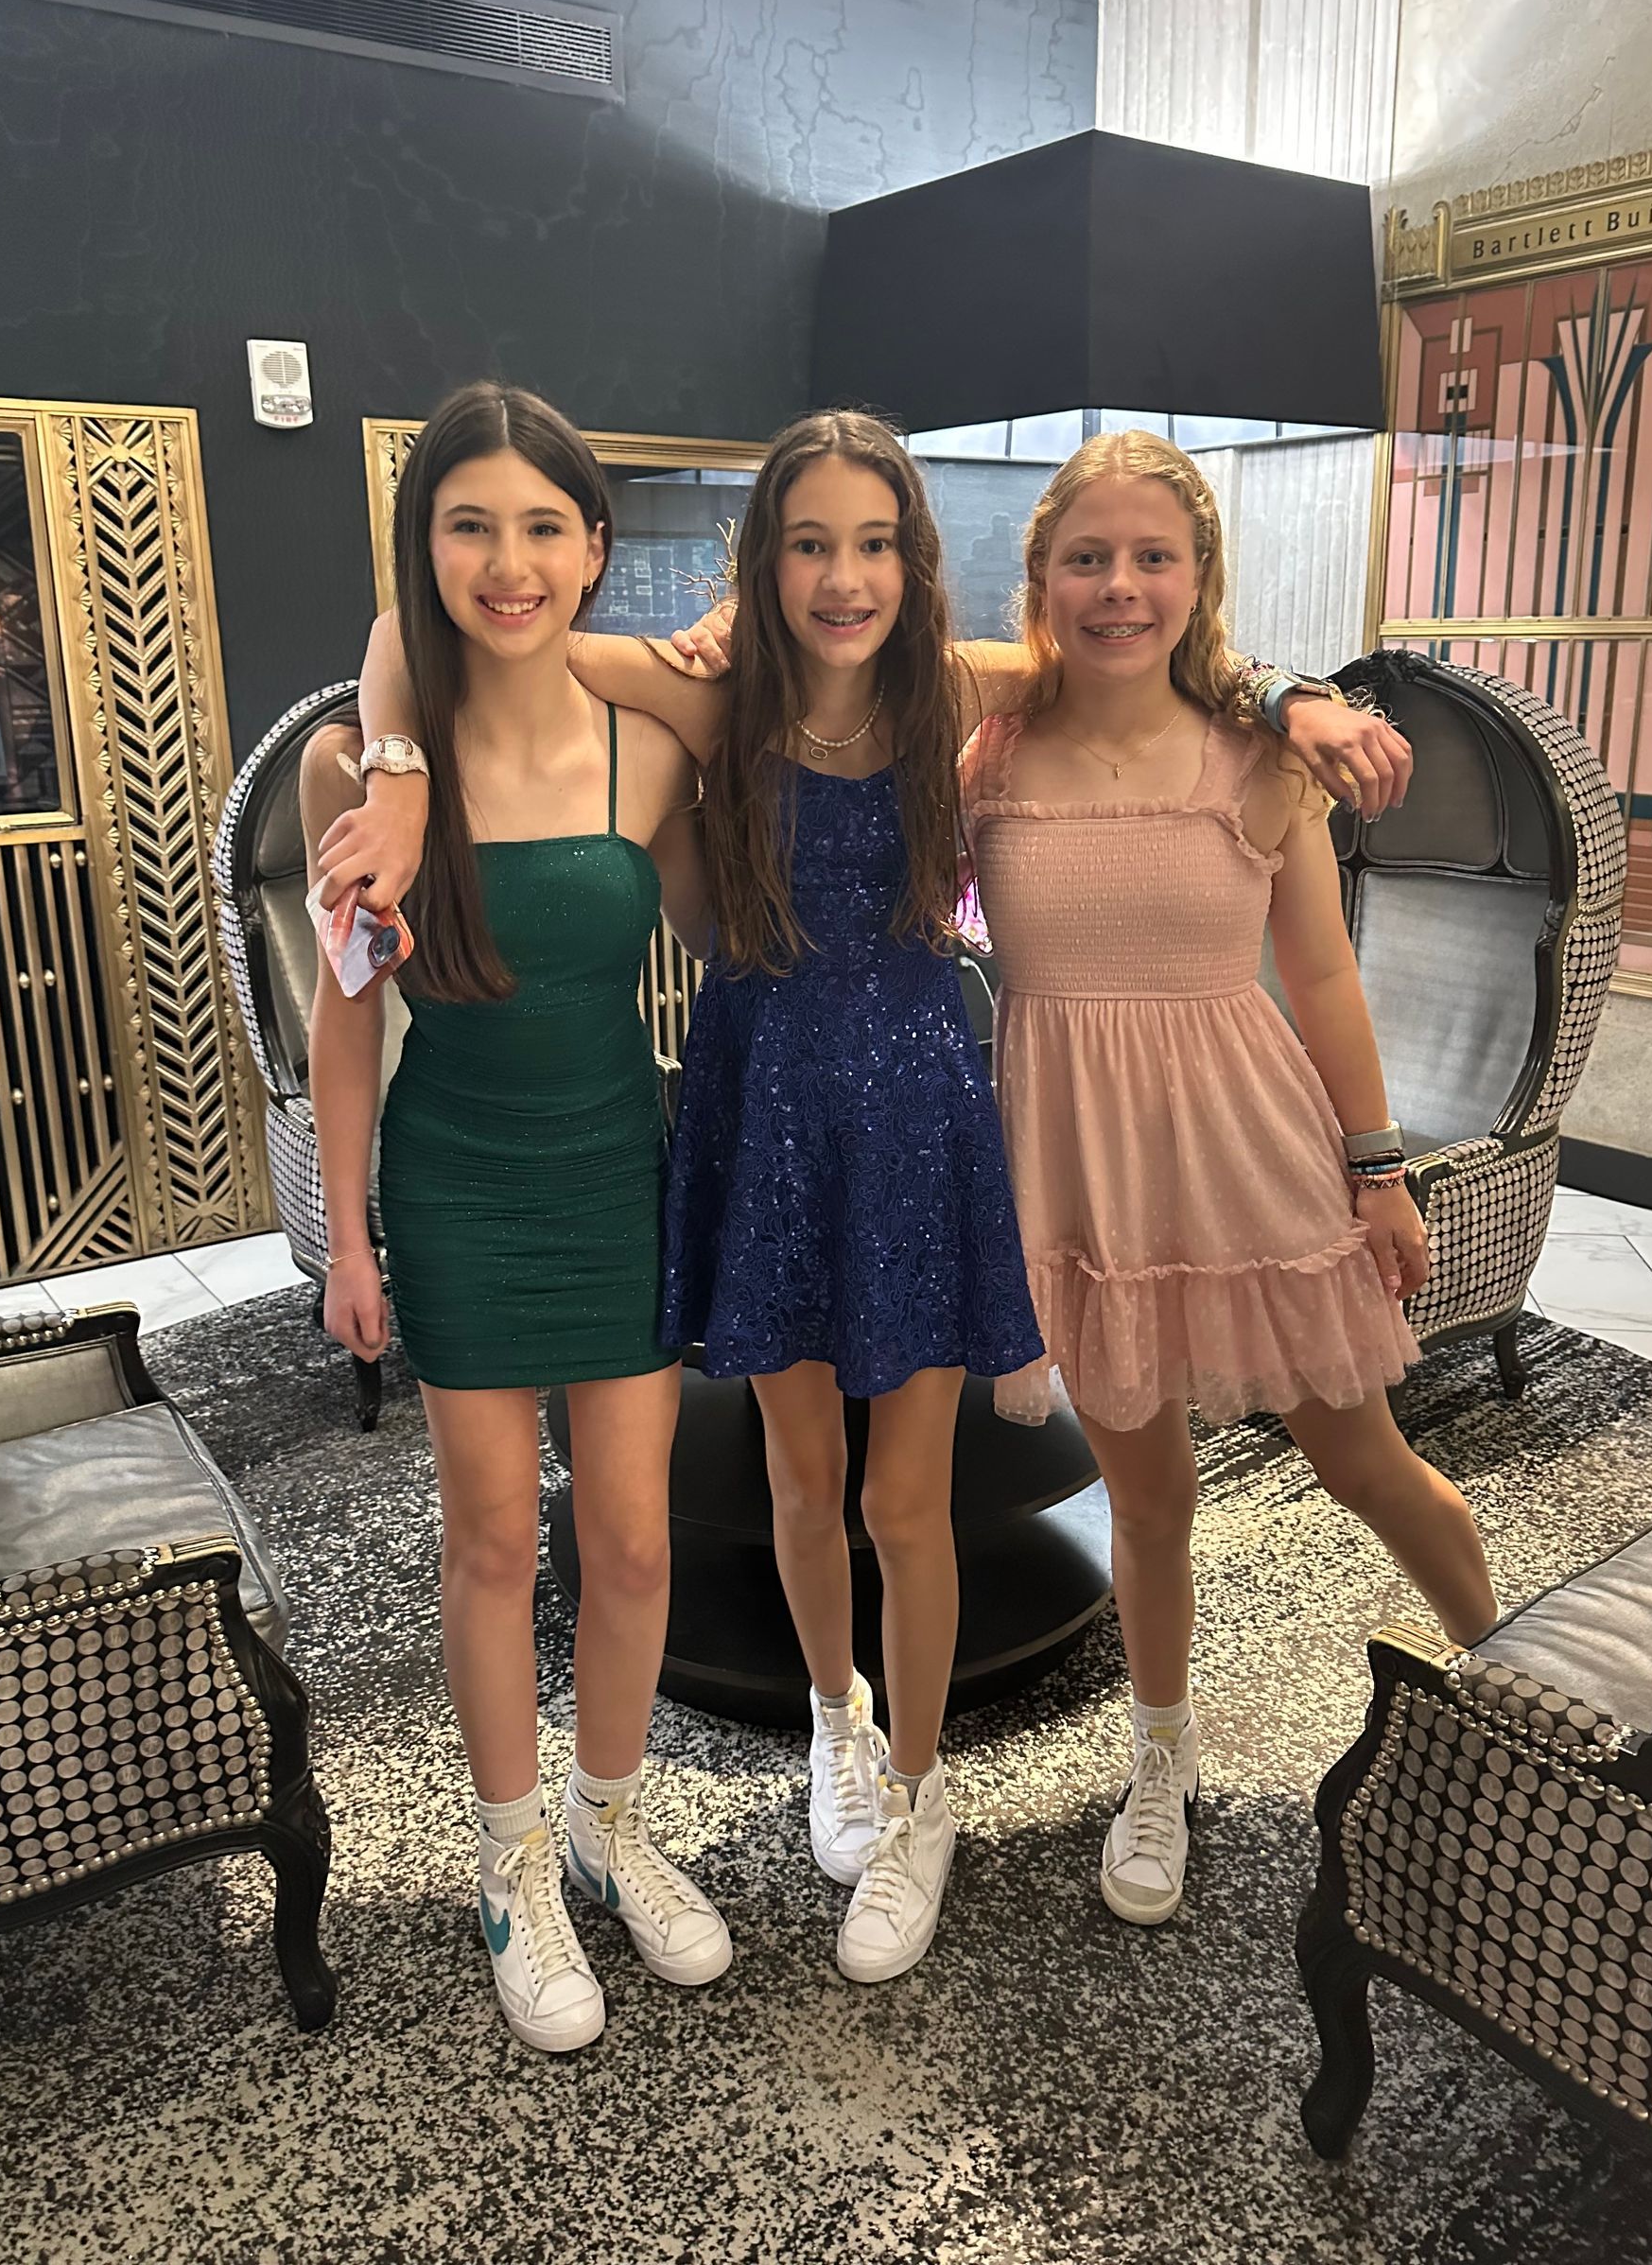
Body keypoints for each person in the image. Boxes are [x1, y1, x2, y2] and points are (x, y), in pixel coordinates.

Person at [319, 411, 1421, 1985]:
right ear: (758, 563)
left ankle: (918, 1789)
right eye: (808, 544)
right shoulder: (700, 695)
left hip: (916, 1110)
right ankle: (832, 1721)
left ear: (916, 561)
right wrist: (398, 768)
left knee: (908, 1496)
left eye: (875, 544)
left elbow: (1141, 650)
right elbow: (412, 635)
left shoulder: (954, 691)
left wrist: (1294, 693)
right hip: (760, 1102)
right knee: (799, 1470)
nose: (844, 578)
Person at [960, 429, 1497, 1929]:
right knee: (1145, 1498)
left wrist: (1378, 1169)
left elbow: (1320, 975)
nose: (1119, 587)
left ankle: (1522, 1689)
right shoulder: (989, 753)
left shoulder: (1260, 758)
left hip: (1252, 1150)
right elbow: (875, 673)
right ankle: (1161, 1756)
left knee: (1365, 1461)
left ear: (1199, 580)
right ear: (1041, 578)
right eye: (1087, 558)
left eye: (1155, 558)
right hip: (1078, 1169)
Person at [304, 381, 730, 2054]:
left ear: (595, 547)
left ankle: (611, 1827)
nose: (509, 562)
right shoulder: (359, 767)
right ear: (423, 549)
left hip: (620, 1167)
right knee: (493, 1539)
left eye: (543, 525)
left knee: (632, 1539)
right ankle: (510, 1862)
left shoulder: (650, 745)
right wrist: (349, 1238)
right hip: (462, 1180)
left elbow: (733, 927)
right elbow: (348, 1022)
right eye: (468, 525)